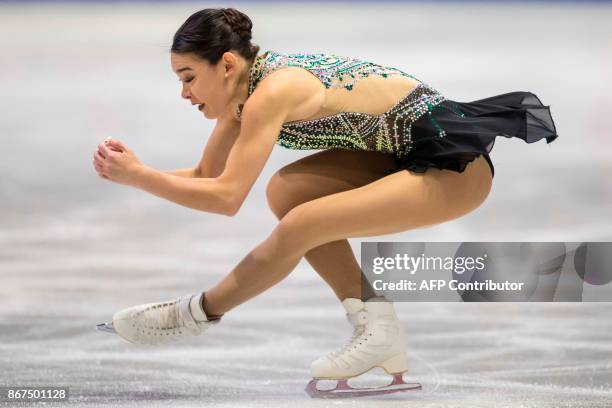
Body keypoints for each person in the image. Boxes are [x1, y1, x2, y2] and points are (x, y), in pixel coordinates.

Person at [93, 7, 559, 397]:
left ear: (228, 65)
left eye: (190, 77)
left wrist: (140, 178)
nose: (184, 93)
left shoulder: (273, 91)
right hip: (402, 158)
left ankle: (193, 314)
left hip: (456, 166)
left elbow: (226, 199)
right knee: (287, 193)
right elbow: (207, 177)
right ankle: (380, 331)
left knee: (302, 223)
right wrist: (137, 173)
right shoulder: (244, 98)